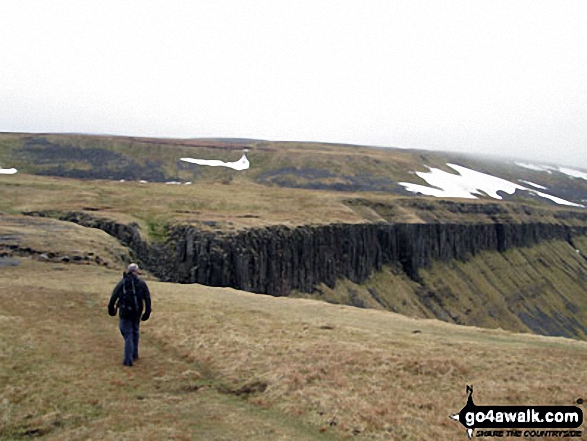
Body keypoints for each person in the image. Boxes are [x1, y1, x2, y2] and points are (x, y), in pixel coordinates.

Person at [108, 263, 152, 366]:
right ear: (136, 272)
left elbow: (114, 297)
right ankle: (134, 354)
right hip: (137, 313)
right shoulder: (141, 283)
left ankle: (128, 360)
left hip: (125, 312)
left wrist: (111, 309)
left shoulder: (122, 283)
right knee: (135, 332)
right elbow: (147, 299)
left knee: (127, 333)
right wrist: (147, 312)